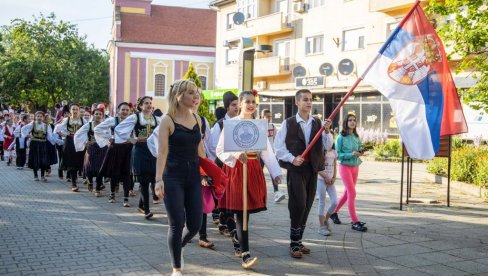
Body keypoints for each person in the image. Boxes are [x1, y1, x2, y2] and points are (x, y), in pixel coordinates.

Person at [216, 91, 282, 269]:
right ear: (240, 103)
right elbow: (220, 150)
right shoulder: (230, 125)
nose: (251, 105)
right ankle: (245, 254)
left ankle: (237, 237)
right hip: (236, 169)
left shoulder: (259, 125)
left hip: (253, 169)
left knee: (246, 211)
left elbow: (267, 151)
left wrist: (275, 172)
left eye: (253, 102)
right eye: (247, 102)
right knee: (240, 211)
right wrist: (236, 154)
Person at [154, 79, 206, 276]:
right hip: (173, 177)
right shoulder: (168, 120)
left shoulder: (197, 119)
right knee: (176, 223)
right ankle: (176, 267)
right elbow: (162, 152)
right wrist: (158, 179)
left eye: (196, 92)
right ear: (179, 96)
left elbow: (200, 149)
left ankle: (178, 246)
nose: (196, 96)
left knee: (195, 225)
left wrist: (209, 173)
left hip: (193, 177)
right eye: (191, 93)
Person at [274, 89, 332, 258]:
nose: (308, 102)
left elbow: (327, 146)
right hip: (296, 170)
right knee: (298, 204)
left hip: (312, 170)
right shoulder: (289, 123)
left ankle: (299, 241)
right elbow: (279, 148)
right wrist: (292, 159)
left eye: (310, 99)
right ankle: (293, 243)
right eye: (305, 99)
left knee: (306, 205)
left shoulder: (317, 122)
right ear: (297, 102)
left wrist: (327, 131)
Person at [115, 96, 160, 219]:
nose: (149, 105)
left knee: (152, 178)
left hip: (152, 151)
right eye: (146, 103)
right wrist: (130, 139)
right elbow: (119, 128)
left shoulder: (157, 119)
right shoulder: (135, 117)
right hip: (140, 150)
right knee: (144, 180)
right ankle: (146, 209)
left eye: (150, 103)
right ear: (140, 106)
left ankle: (141, 205)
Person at [331, 113, 367, 232]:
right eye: (350, 120)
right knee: (352, 193)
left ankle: (334, 212)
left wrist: (361, 151)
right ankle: (354, 221)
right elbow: (337, 155)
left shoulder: (356, 136)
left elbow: (360, 147)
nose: (352, 122)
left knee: (347, 194)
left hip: (355, 166)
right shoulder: (340, 137)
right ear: (346, 123)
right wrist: (350, 154)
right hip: (345, 167)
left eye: (354, 120)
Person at [209, 91, 238, 236]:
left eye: (238, 105)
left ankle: (223, 222)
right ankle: (226, 224)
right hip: (222, 165)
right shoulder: (220, 125)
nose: (236, 108)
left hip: (236, 167)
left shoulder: (241, 122)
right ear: (227, 107)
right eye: (233, 105)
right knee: (223, 195)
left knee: (231, 196)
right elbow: (213, 146)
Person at [95, 102, 134, 206]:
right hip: (115, 148)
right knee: (114, 172)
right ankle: (112, 194)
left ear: (130, 112)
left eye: (127, 110)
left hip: (127, 149)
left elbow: (135, 134)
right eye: (123, 110)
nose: (125, 112)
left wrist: (132, 140)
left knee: (127, 173)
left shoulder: (133, 121)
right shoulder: (113, 120)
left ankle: (126, 198)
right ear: (118, 111)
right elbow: (97, 129)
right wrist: (109, 138)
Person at [74, 108, 107, 196]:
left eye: (100, 114)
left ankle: (97, 189)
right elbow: (78, 134)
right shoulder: (89, 125)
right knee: (89, 167)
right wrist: (85, 142)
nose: (98, 116)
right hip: (91, 148)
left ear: (102, 116)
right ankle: (90, 181)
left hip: (101, 149)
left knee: (100, 169)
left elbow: (108, 135)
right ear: (93, 115)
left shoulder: (105, 125)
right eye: (96, 114)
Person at [54, 104, 86, 192]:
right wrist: (65, 134)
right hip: (70, 142)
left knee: (79, 160)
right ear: (70, 111)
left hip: (79, 142)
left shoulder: (82, 120)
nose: (75, 111)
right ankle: (73, 183)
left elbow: (87, 130)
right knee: (71, 161)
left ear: (79, 111)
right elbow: (57, 129)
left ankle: (78, 178)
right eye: (73, 109)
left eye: (76, 109)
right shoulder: (66, 120)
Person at [21, 111, 60, 181]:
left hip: (43, 144)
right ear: (35, 117)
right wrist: (27, 135)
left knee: (43, 160)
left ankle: (42, 176)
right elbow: (23, 129)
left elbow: (50, 137)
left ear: (43, 117)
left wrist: (57, 142)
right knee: (34, 159)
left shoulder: (46, 126)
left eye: (41, 116)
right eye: (38, 116)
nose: (39, 118)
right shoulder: (32, 124)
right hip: (34, 143)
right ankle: (35, 175)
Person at [260, 109, 285, 203]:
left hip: (270, 154)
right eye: (267, 116)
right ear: (261, 116)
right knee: (259, 173)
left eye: (270, 116)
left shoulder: (272, 126)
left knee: (273, 173)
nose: (269, 118)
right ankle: (259, 192)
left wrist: (275, 152)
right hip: (261, 153)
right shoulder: (259, 126)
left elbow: (275, 140)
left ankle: (277, 192)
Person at [316, 140, 338, 236]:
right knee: (322, 201)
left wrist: (334, 177)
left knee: (335, 202)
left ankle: (326, 220)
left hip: (330, 181)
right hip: (321, 179)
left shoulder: (333, 151)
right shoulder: (320, 151)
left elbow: (335, 165)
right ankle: (322, 227)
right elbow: (317, 167)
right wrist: (325, 177)